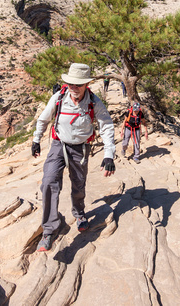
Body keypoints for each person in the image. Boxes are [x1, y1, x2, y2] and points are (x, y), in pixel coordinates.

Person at [31, 63, 116, 252]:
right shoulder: (59, 98)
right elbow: (44, 119)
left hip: (81, 149)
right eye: (70, 83)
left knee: (78, 184)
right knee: (48, 181)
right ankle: (49, 229)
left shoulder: (94, 101)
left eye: (77, 84)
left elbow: (107, 126)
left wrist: (109, 155)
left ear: (86, 84)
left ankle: (79, 213)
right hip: (58, 145)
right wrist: (36, 140)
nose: (73, 87)